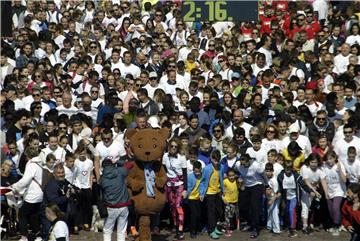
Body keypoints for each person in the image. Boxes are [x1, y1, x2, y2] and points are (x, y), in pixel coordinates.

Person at [99, 158, 131, 241]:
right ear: (112, 164)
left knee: (107, 230)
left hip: (111, 207)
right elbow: (129, 164)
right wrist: (117, 161)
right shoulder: (120, 171)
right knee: (121, 231)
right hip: (123, 206)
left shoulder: (102, 179)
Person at [199, 150, 224, 239]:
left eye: (218, 160)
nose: (216, 162)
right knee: (211, 213)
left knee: (219, 211)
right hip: (209, 193)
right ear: (211, 158)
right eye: (215, 160)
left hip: (217, 192)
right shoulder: (207, 169)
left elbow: (221, 180)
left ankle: (216, 227)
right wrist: (202, 193)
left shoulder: (221, 167)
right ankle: (211, 230)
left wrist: (223, 192)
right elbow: (202, 181)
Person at [186, 161, 202, 239]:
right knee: (194, 215)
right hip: (191, 198)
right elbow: (188, 187)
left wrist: (202, 194)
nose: (197, 173)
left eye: (199, 171)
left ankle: (197, 228)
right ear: (193, 170)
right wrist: (186, 195)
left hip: (198, 198)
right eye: (196, 171)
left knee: (198, 214)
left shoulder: (201, 176)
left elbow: (203, 185)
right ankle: (192, 232)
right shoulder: (190, 176)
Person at [222, 168, 240, 236]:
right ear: (227, 176)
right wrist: (223, 198)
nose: (231, 177)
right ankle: (227, 231)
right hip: (227, 202)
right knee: (227, 217)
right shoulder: (225, 181)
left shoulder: (236, 181)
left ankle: (227, 227)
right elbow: (221, 190)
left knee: (231, 215)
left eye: (233, 175)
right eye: (230, 176)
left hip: (234, 202)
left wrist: (240, 182)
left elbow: (240, 188)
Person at [264, 163, 281, 235]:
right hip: (270, 197)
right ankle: (269, 226)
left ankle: (277, 230)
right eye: (267, 171)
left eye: (269, 171)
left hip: (275, 198)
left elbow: (278, 194)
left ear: (272, 171)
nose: (268, 173)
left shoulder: (274, 181)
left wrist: (272, 200)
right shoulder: (267, 177)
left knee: (274, 213)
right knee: (269, 211)